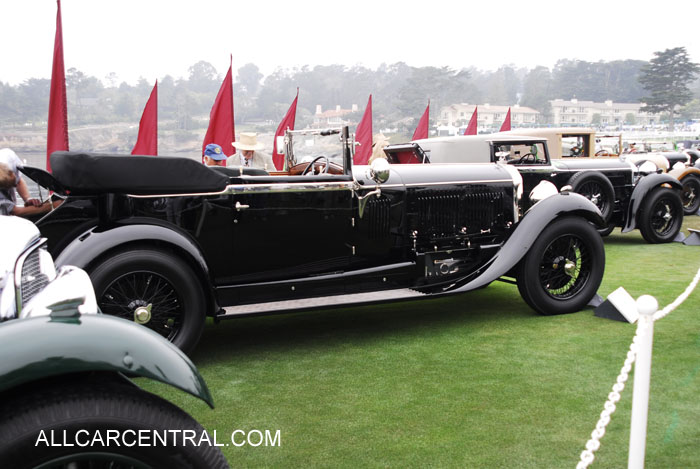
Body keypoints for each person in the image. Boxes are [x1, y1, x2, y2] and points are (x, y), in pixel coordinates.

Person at [0, 148, 53, 217]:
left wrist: (27, 199)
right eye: (10, 186)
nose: (15, 186)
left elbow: (18, 181)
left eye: (14, 182)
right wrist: (52, 205)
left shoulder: (8, 156)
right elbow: (15, 211)